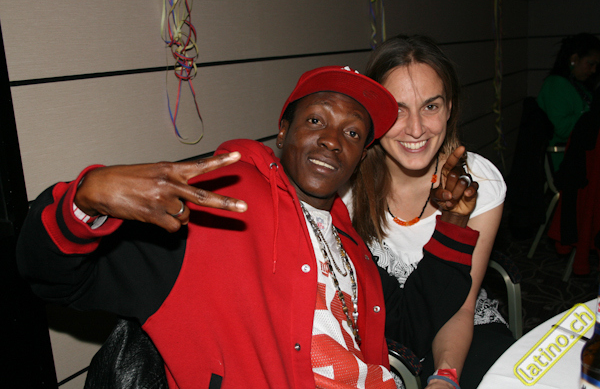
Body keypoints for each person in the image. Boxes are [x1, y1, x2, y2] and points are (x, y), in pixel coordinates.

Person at [17, 65, 479, 389]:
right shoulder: (219, 211)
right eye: (316, 120)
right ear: (283, 131)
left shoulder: (349, 244)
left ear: (359, 158)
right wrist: (83, 201)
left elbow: (409, 324)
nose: (332, 140)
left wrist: (455, 222)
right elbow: (55, 277)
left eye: (353, 133)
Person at [341, 35, 513, 389]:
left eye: (430, 106)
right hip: (376, 325)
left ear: (449, 108)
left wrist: (445, 376)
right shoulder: (344, 184)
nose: (416, 129)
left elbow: (461, 307)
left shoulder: (478, 182)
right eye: (398, 109)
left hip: (456, 321)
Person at [537, 32, 600, 171]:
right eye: (590, 64)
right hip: (565, 160)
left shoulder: (578, 85)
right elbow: (562, 128)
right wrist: (591, 118)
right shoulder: (556, 84)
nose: (594, 70)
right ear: (574, 59)